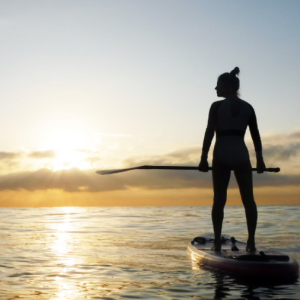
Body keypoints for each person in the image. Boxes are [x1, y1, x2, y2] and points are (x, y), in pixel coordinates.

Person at [198, 67, 265, 252]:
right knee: (249, 199)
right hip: (241, 155)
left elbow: (209, 132)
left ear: (227, 86)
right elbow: (256, 135)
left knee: (219, 199)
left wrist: (203, 158)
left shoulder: (216, 106)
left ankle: (218, 242)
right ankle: (251, 242)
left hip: (221, 155)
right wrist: (260, 160)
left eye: (218, 85)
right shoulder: (248, 107)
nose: (215, 88)